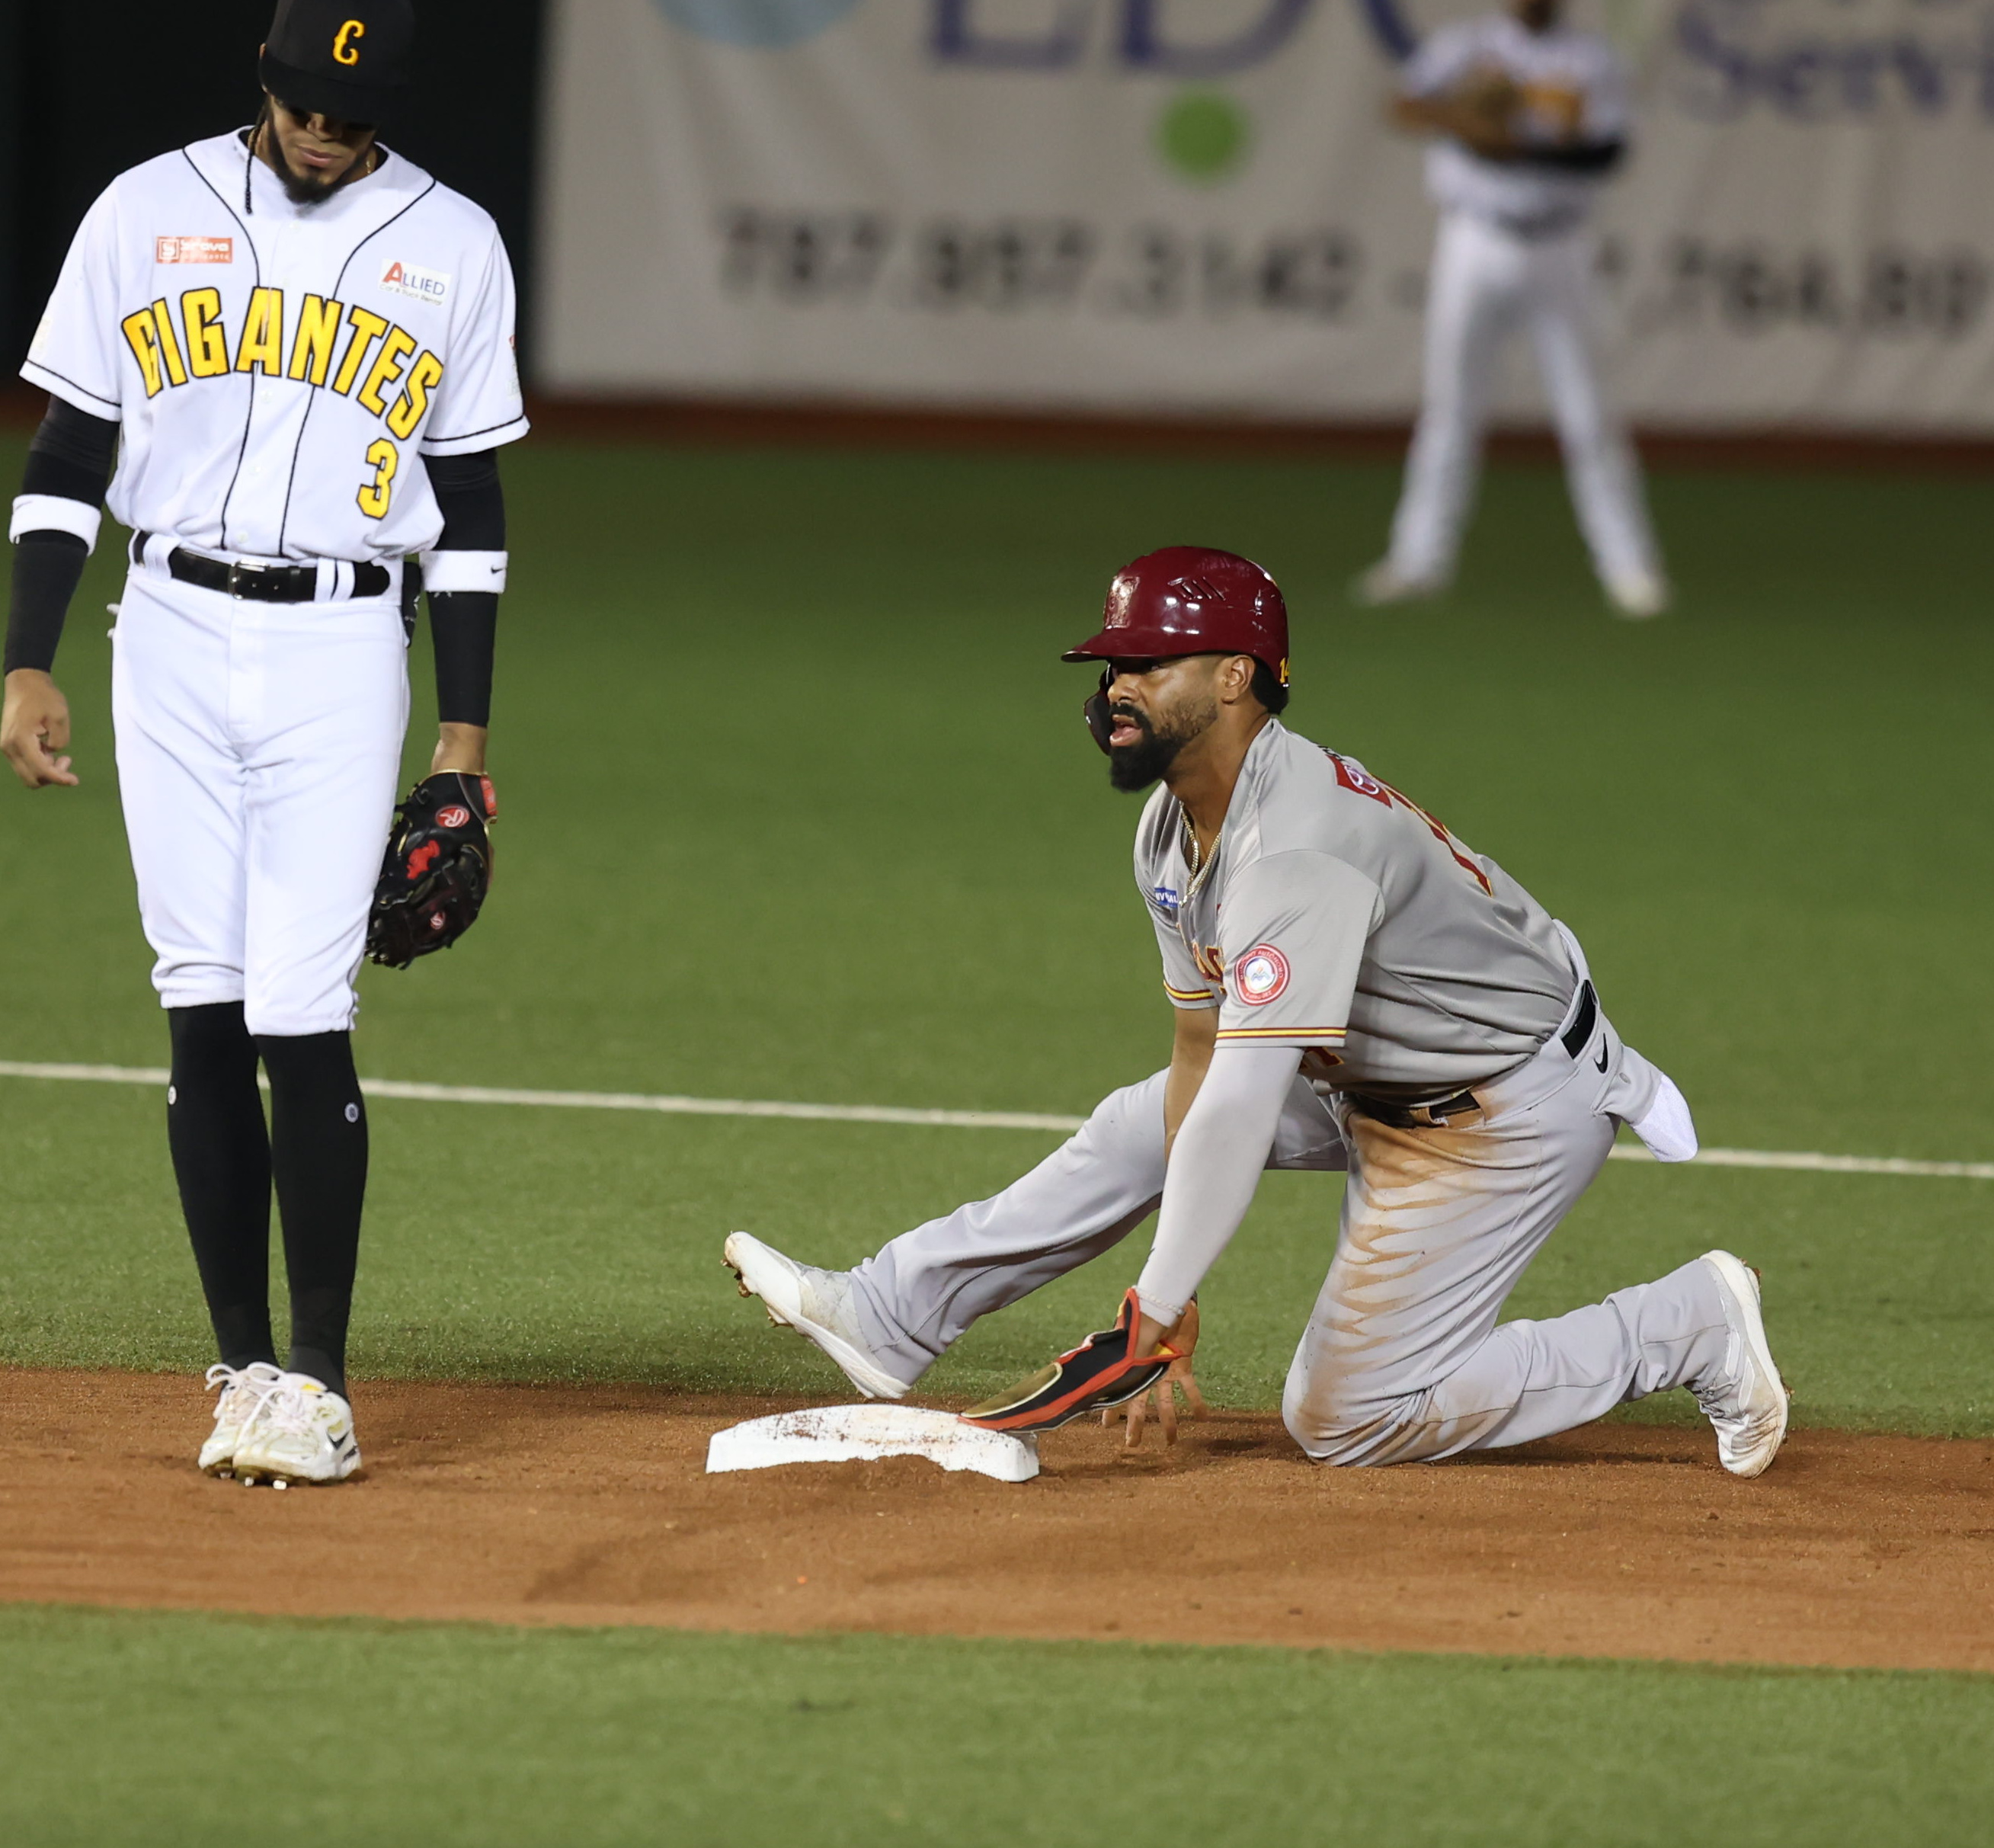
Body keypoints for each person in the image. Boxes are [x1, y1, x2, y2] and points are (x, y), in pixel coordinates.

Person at [725, 547, 1788, 1475]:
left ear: (1235, 676)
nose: (1115, 687)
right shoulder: (1169, 832)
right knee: (1137, 1127)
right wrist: (1167, 1298)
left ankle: (1684, 1325)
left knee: (1346, 1416)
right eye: (1111, 666)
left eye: (1146, 663)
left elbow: (1240, 1102)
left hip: (1502, 1108)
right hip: (1371, 1071)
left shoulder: (1295, 848)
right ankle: (889, 1311)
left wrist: (1155, 1305)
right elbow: (1201, 1054)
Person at [0, 0, 527, 1485]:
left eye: (352, 117)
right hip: (159, 630)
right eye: (304, 102)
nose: (320, 132)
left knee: (305, 1005)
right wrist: (30, 657)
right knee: (202, 998)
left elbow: (473, 503)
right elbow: (69, 441)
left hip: (343, 644)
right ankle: (238, 1360)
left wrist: (464, 735)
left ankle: (320, 1376)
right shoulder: (138, 212)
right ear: (264, 73)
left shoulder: (450, 243)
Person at [1359, 0, 1669, 619]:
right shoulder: (1467, 50)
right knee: (1449, 409)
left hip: (1557, 247)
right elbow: (1403, 106)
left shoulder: (1588, 60)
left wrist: (1510, 144)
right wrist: (1467, 118)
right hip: (1472, 238)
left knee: (1587, 415)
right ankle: (1418, 560)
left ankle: (1629, 569)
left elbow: (1605, 154)